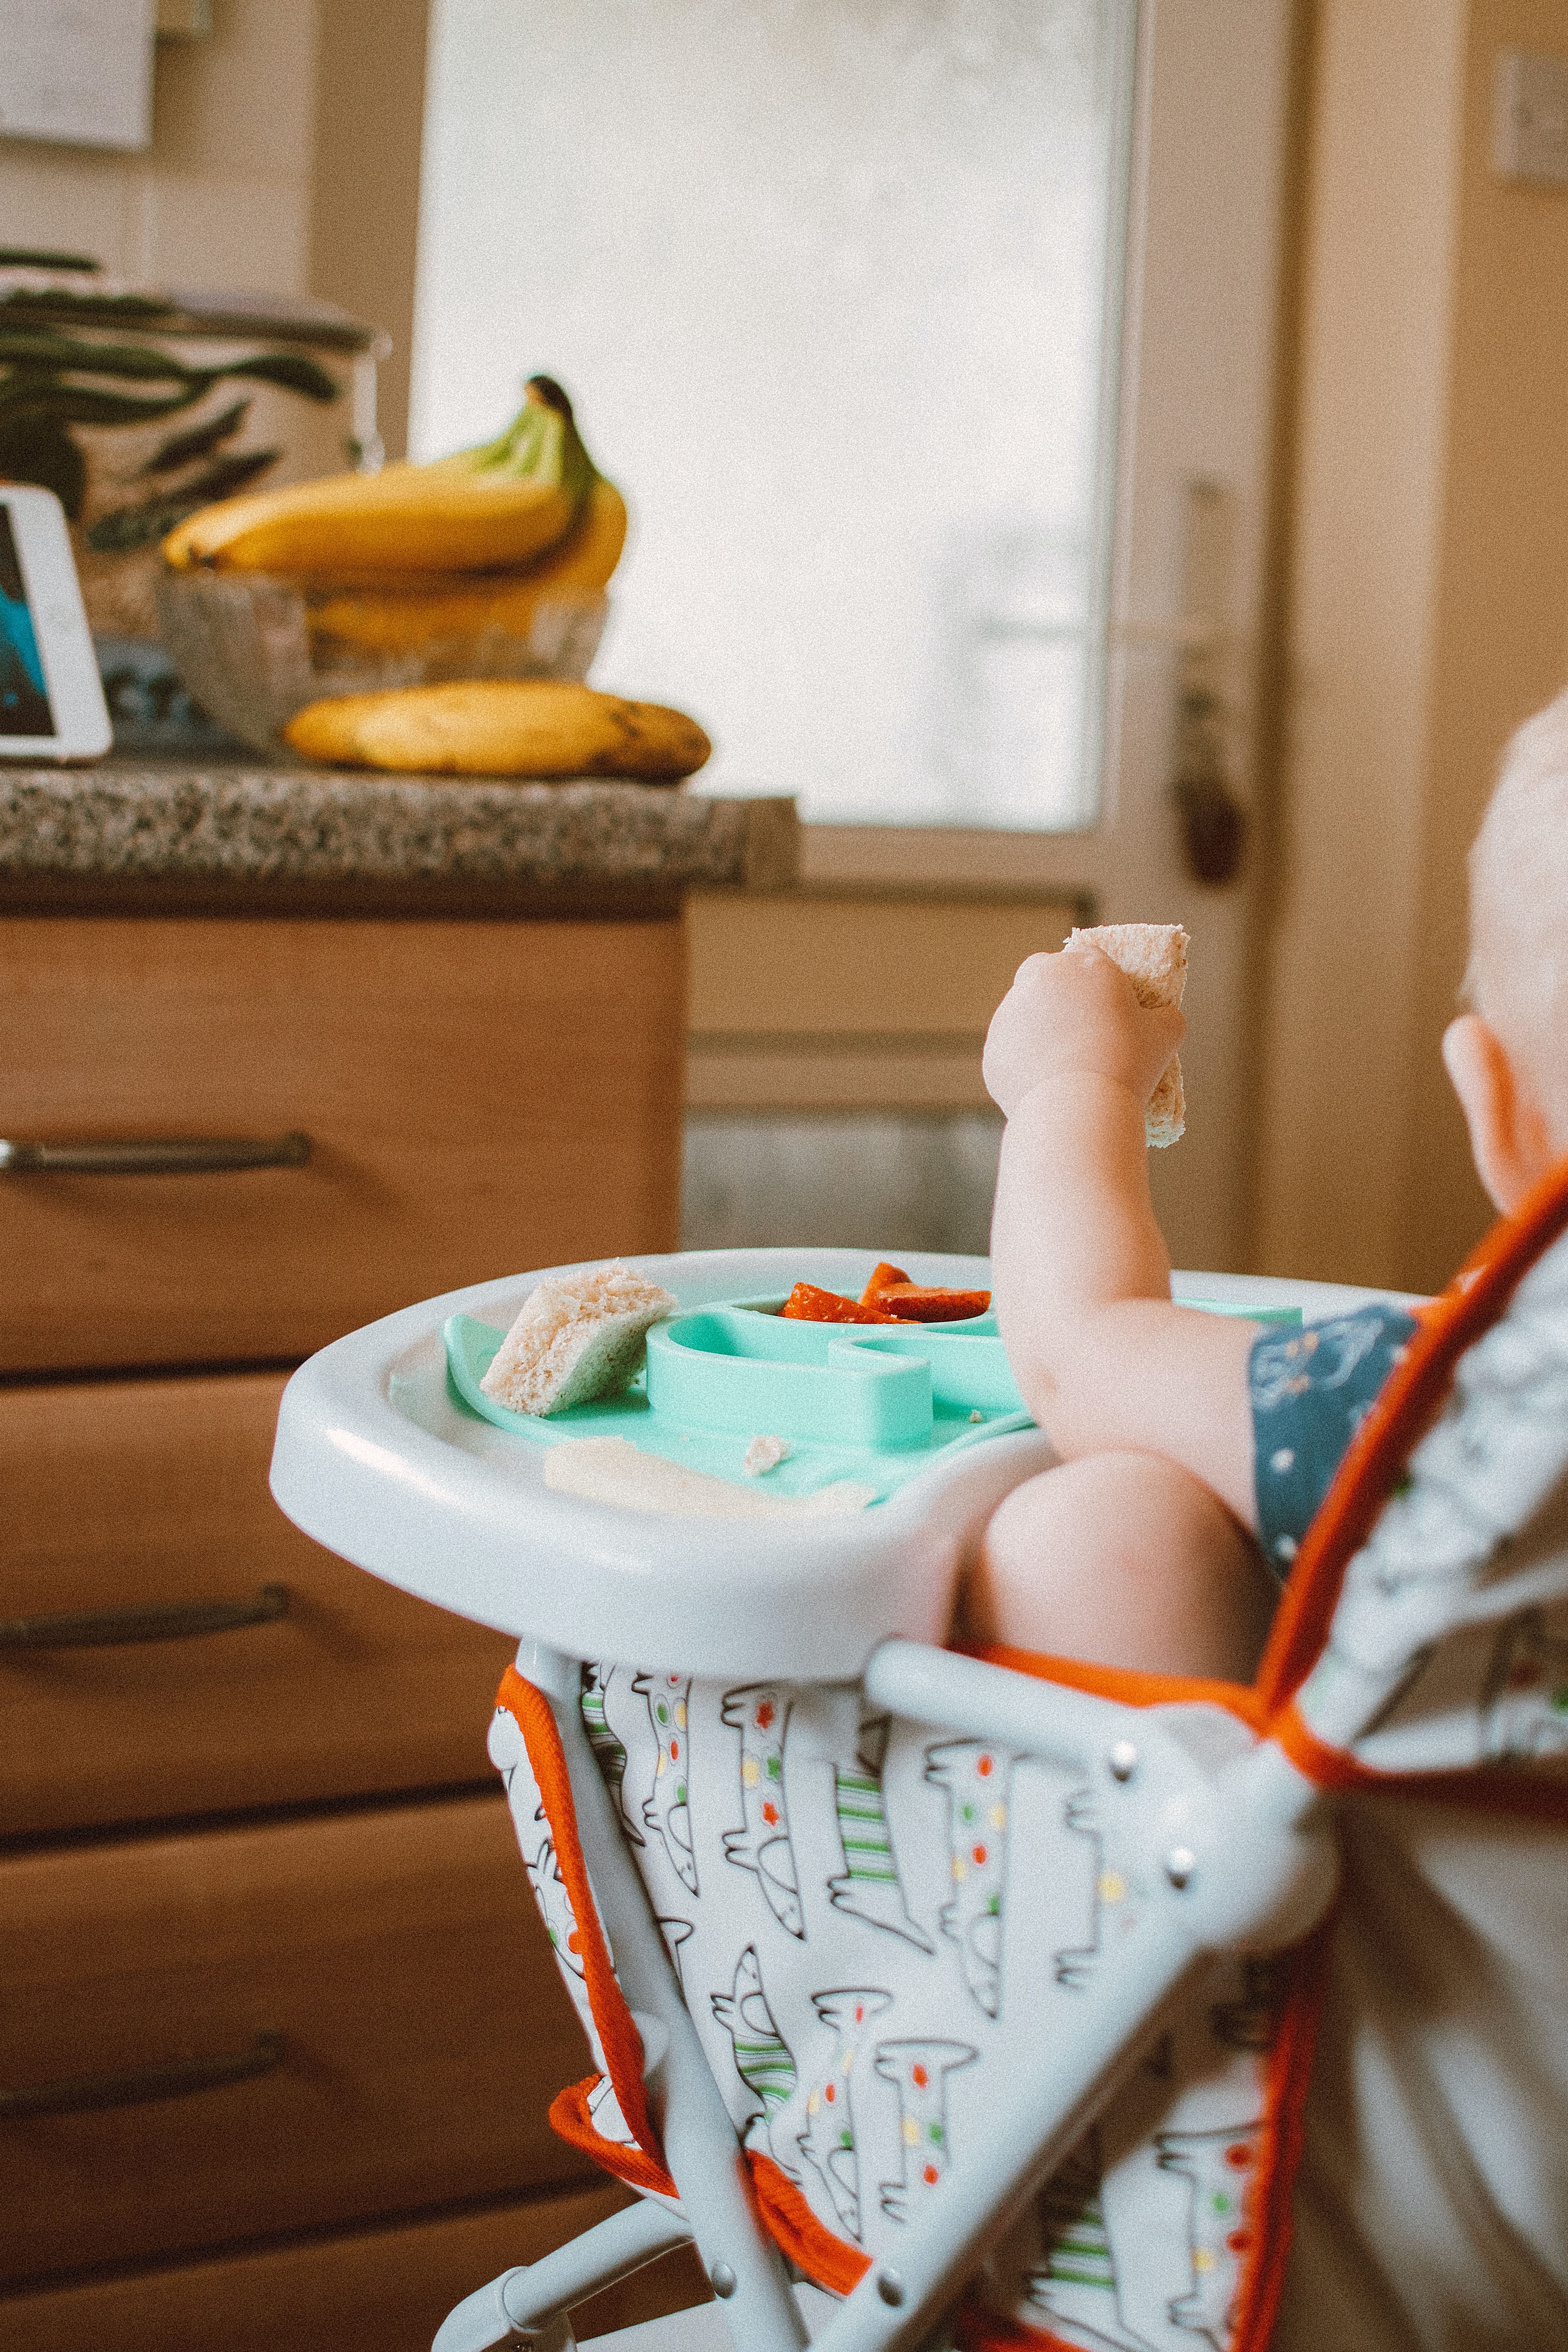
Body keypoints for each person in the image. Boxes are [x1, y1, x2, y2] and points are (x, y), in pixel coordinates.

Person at [961, 690, 1568, 1680]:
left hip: (1388, 1840)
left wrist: (1071, 1084)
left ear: (1508, 1123)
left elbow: (1081, 1355)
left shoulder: (1461, 1410)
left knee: (1091, 1532)